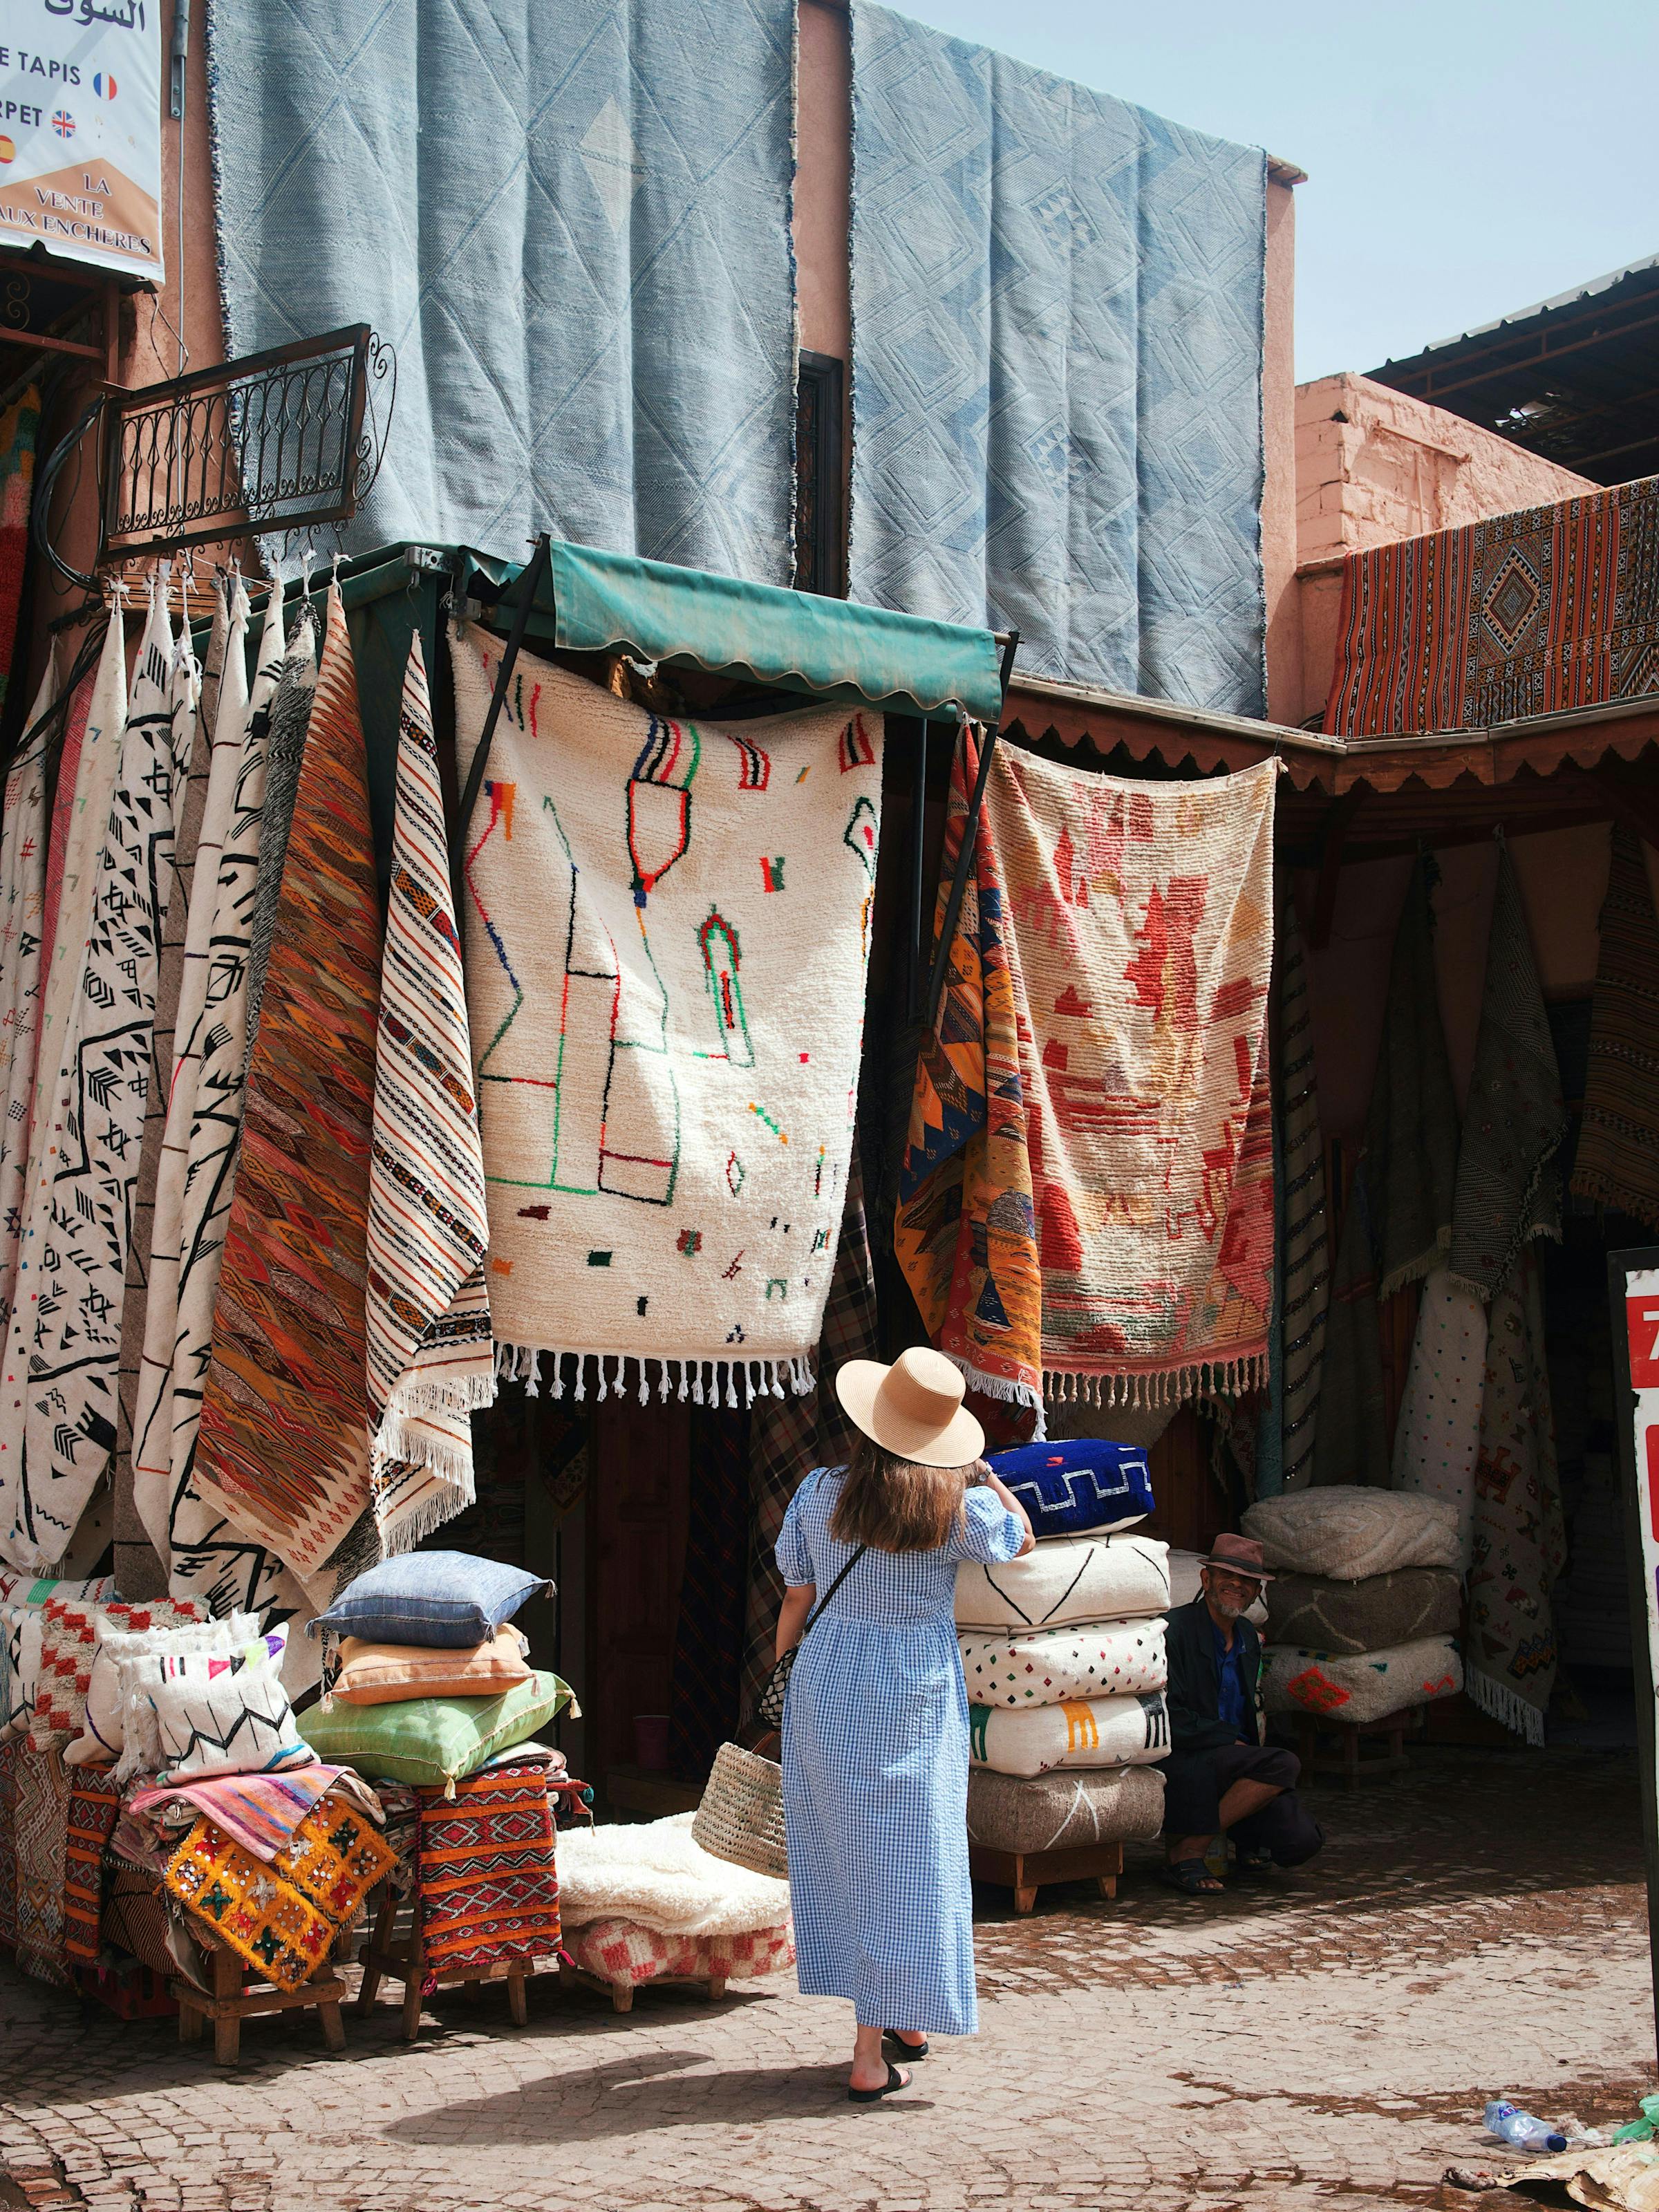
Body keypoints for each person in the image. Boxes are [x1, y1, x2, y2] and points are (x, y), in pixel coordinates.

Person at [774, 1345, 1034, 2103]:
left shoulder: (818, 1490)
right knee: (911, 1852)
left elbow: (796, 1596)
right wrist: (988, 1477)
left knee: (846, 1850)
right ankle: (867, 2051)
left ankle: (903, 2020)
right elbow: (1022, 1540)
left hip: (826, 1677)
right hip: (912, 1689)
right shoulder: (952, 1505)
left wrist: (785, 1681)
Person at [1159, 1532, 1324, 1897]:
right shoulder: (1176, 1630)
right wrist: (1224, 1739)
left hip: (1235, 1758)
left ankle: (1241, 1834)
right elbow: (1169, 1713)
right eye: (1227, 1577)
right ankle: (1190, 1850)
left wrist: (1243, 1748)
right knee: (1283, 1764)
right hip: (1191, 1756)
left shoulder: (1247, 1634)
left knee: (1301, 1842)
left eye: (1248, 1581)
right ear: (1206, 1580)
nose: (1237, 1585)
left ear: (1256, 1591)